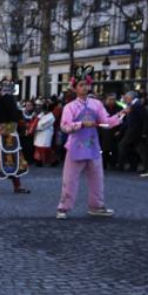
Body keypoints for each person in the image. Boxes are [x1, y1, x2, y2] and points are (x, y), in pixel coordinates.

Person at [56, 67, 125, 219]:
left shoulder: (96, 104)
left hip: (93, 146)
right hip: (75, 146)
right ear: (75, 88)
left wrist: (120, 115)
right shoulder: (70, 107)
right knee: (70, 179)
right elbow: (64, 127)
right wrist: (80, 124)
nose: (85, 87)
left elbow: (106, 122)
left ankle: (96, 206)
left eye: (86, 84)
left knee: (97, 178)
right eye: (81, 85)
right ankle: (63, 208)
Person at [0, 81, 31, 195]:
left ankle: (18, 186)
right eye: (3, 90)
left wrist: (22, 125)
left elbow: (22, 119)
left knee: (16, 162)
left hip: (13, 138)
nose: (6, 93)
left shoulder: (15, 105)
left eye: (8, 91)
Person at [115, 91, 145, 172]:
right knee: (138, 148)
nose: (125, 99)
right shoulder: (133, 105)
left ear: (130, 97)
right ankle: (137, 166)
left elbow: (142, 118)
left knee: (122, 145)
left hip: (134, 130)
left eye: (127, 97)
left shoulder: (137, 105)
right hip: (133, 130)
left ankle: (121, 165)